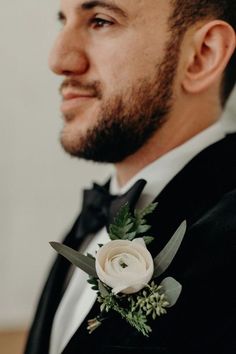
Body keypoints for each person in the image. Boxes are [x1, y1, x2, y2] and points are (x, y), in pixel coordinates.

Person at [25, 1, 236, 353]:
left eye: (101, 21)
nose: (58, 60)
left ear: (202, 55)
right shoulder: (94, 217)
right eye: (64, 20)